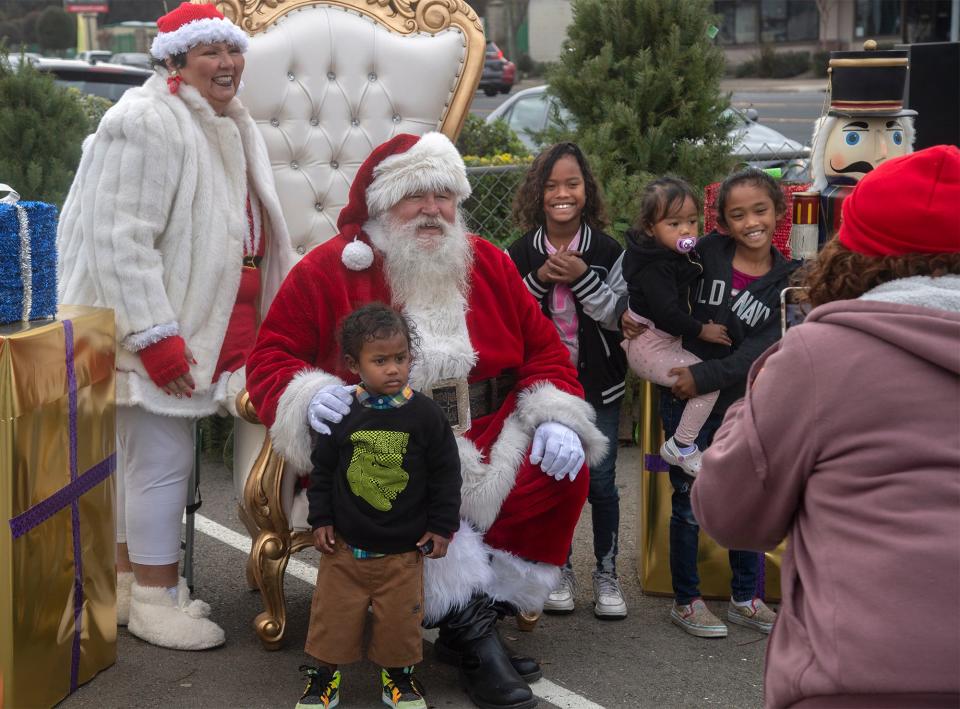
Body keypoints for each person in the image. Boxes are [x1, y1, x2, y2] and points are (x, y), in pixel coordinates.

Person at [246, 132, 606, 709]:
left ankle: (478, 618)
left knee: (560, 469)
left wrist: (556, 413)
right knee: (400, 485)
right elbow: (269, 357)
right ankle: (475, 642)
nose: (433, 209)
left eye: (444, 194)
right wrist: (308, 397)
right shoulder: (331, 269)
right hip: (382, 436)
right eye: (416, 195)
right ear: (384, 203)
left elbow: (544, 352)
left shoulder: (485, 260)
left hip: (488, 431)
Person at [57, 1, 295, 650]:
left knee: (146, 460)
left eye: (233, 50)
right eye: (210, 52)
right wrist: (152, 333)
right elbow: (119, 238)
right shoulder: (144, 119)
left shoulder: (224, 119)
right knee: (159, 462)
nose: (226, 63)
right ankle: (159, 600)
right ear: (175, 59)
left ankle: (132, 586)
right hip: (154, 332)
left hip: (200, 325)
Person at [693, 145, 960, 709]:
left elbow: (729, 513)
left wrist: (764, 387)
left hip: (858, 676)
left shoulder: (819, 356)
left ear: (854, 253)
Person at [649, 168, 797, 639]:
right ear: (723, 222)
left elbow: (760, 352)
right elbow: (653, 267)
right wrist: (632, 314)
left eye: (760, 210)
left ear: (778, 212)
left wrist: (702, 376)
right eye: (738, 214)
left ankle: (746, 598)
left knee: (746, 499)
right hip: (683, 397)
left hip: (741, 400)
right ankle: (687, 600)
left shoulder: (787, 280)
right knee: (687, 503)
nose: (751, 221)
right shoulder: (705, 253)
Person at [297, 303, 461, 709]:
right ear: (354, 364)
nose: (393, 369)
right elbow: (322, 472)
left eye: (401, 358)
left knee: (399, 626)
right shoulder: (344, 414)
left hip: (403, 551)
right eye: (380, 360)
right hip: (345, 549)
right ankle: (322, 680)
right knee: (331, 620)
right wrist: (320, 519)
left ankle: (399, 680)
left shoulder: (425, 415)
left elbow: (446, 474)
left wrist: (442, 527)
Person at [506, 142, 629, 619]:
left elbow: (621, 318)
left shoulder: (606, 250)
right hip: (543, 391)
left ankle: (606, 572)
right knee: (552, 480)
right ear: (538, 194)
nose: (562, 193)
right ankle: (557, 567)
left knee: (600, 483)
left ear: (586, 191)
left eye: (572, 184)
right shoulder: (518, 253)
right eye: (552, 185)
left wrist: (581, 277)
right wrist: (538, 279)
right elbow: (509, 318)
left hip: (599, 387)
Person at [622, 176, 730, 477]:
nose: (685, 231)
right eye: (674, 224)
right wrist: (701, 330)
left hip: (660, 342)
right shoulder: (656, 266)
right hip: (650, 348)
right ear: (649, 228)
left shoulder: (671, 254)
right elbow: (667, 313)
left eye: (692, 222)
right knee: (707, 383)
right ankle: (681, 446)